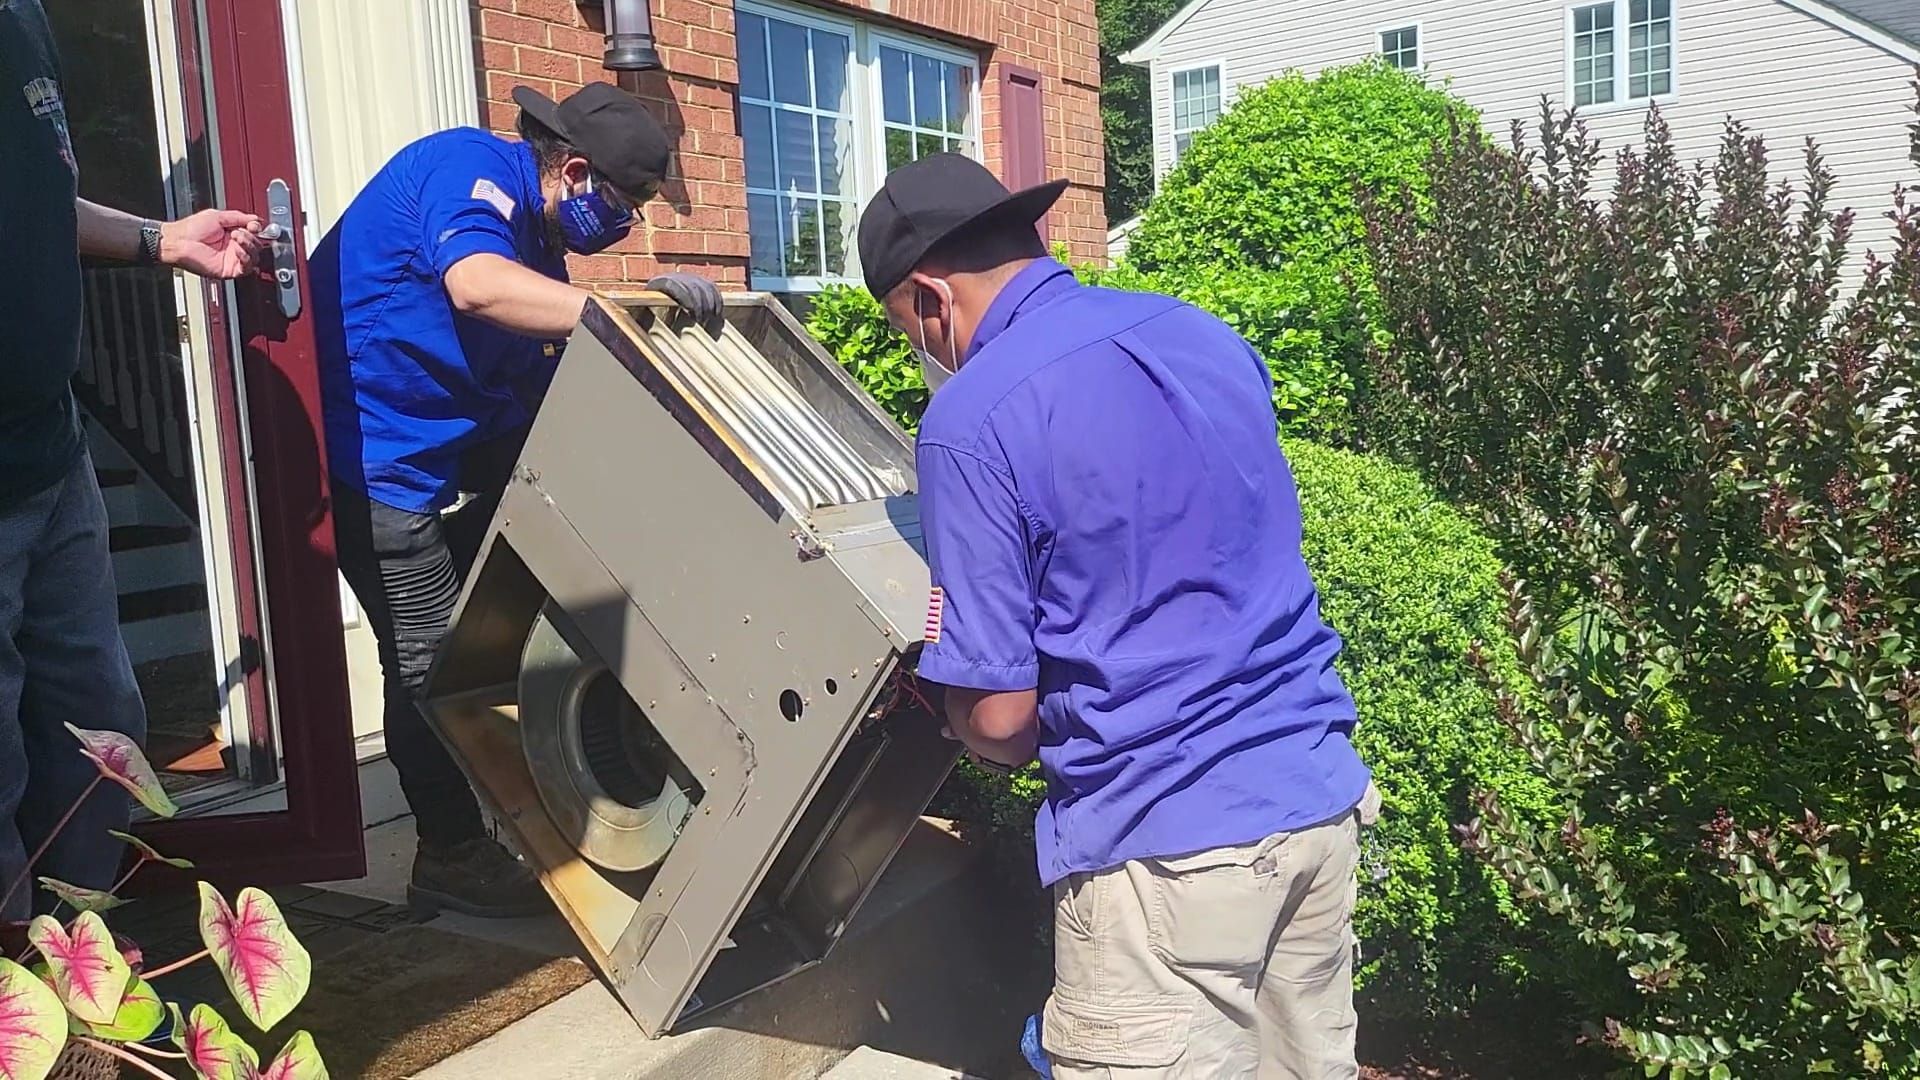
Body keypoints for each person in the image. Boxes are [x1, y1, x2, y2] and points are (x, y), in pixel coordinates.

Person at [857, 154, 1379, 1079]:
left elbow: (1004, 726)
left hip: (1165, 857)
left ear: (930, 298)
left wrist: (938, 698)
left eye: (906, 330)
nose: (920, 352)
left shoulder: (971, 419)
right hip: (1318, 800)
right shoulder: (1201, 333)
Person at [310, 83, 722, 919]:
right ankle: (451, 849)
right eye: (627, 203)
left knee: (554, 576)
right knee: (429, 660)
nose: (629, 224)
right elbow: (475, 286)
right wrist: (618, 315)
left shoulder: (539, 238)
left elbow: (543, 354)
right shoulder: (468, 166)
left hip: (458, 442)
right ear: (572, 170)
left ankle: (575, 773)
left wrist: (657, 313)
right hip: (379, 459)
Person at [1, 0, 263, 921]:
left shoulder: (23, 20)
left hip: (49, 449)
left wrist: (161, 240)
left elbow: (35, 199)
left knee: (102, 728)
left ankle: (80, 963)